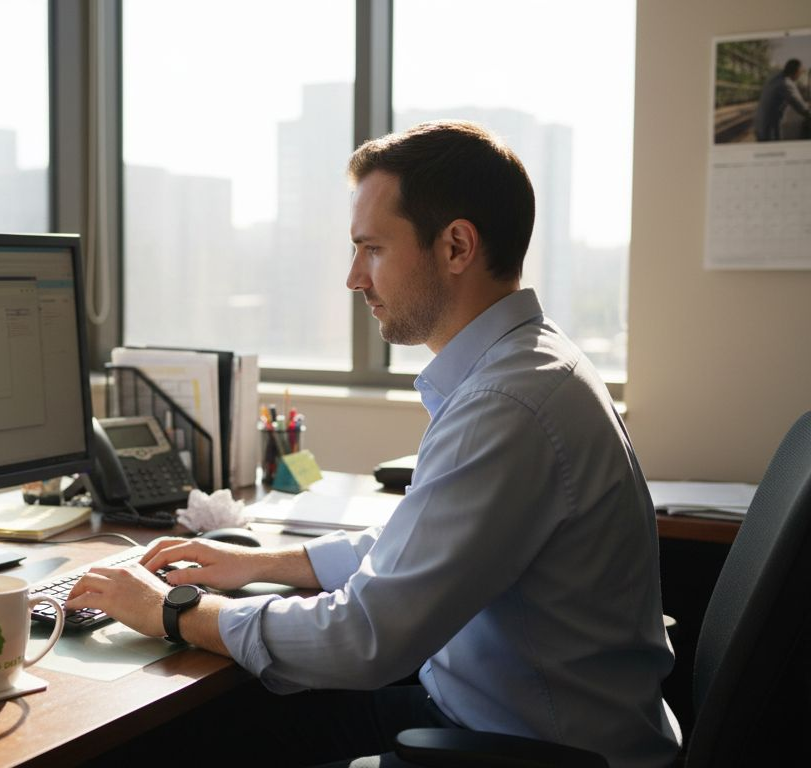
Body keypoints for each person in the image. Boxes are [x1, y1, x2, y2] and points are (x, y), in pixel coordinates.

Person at [66, 121, 679, 767]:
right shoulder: (529, 367)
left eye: (372, 249)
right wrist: (263, 565)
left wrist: (171, 609)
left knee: (177, 741)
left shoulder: (507, 406)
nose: (354, 277)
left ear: (456, 246)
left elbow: (364, 638)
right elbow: (426, 546)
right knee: (226, 721)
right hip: (497, 719)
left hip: (522, 750)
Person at [755, 58, 810, 141]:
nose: (800, 75)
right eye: (800, 72)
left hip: (759, 124)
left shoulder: (776, 76)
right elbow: (803, 109)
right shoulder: (786, 83)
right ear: (796, 72)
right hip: (769, 129)